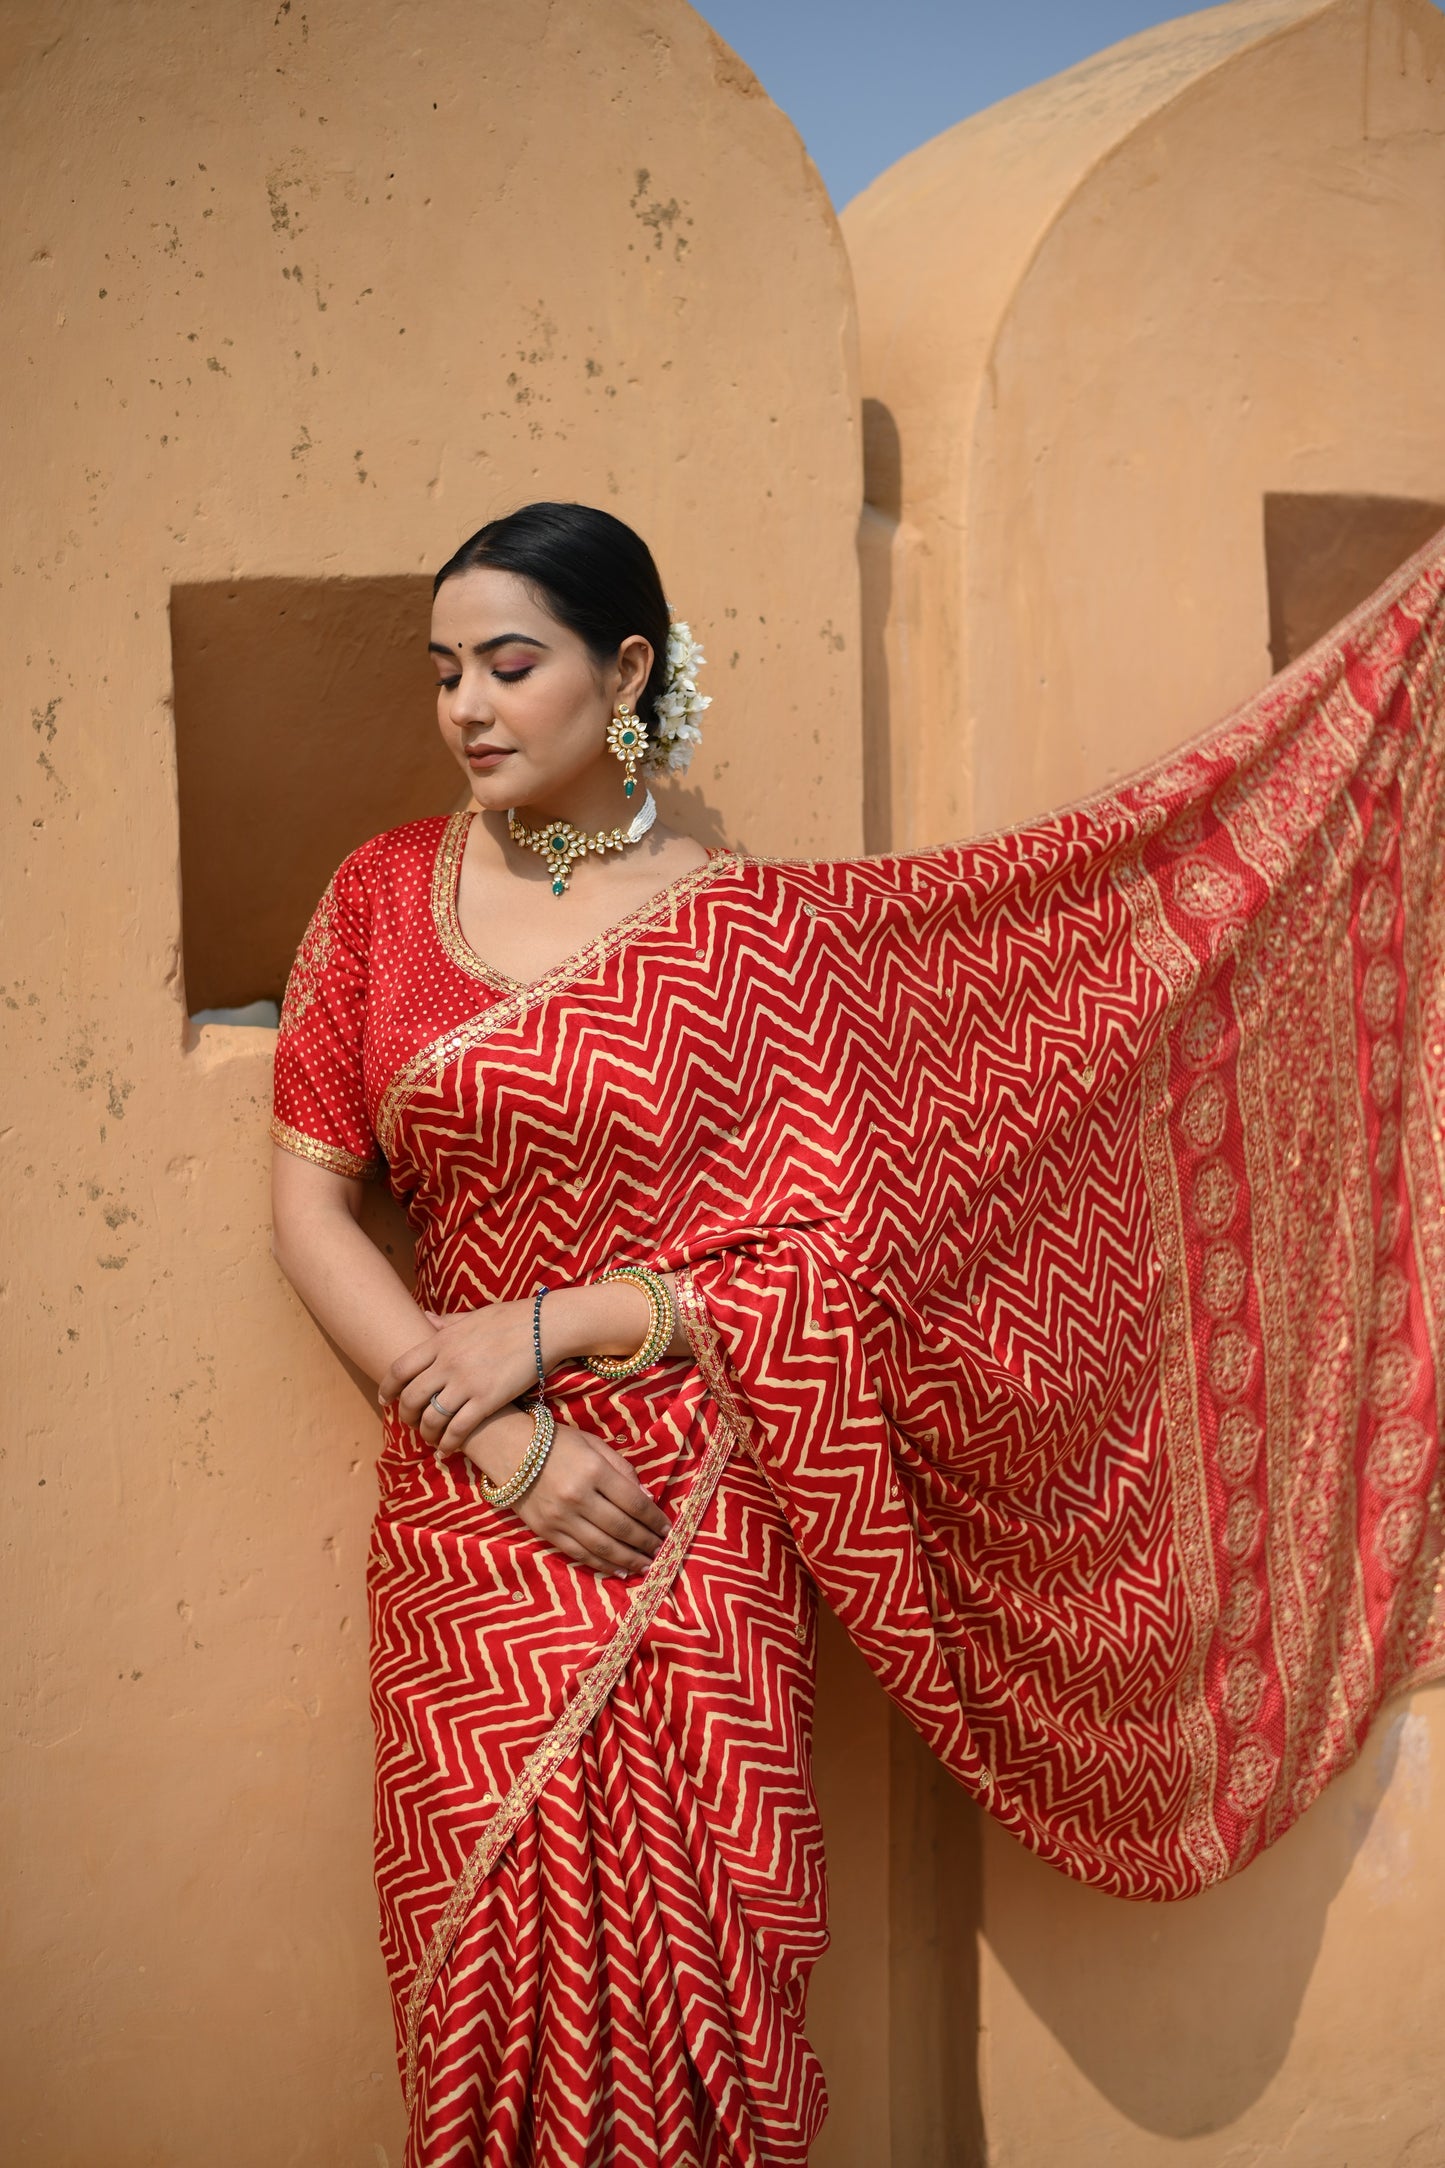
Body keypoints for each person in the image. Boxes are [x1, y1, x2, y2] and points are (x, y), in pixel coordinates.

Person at [271, 500, 1445, 2167]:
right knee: (483, 1978)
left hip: (693, 1521)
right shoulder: (385, 901)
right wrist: (492, 1429)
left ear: (622, 672)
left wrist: (572, 1318)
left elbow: (838, 1254)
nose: (464, 705)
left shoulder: (753, 935)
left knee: (711, 1972)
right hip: (472, 1533)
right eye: (443, 670)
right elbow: (309, 1209)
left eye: (507, 664)